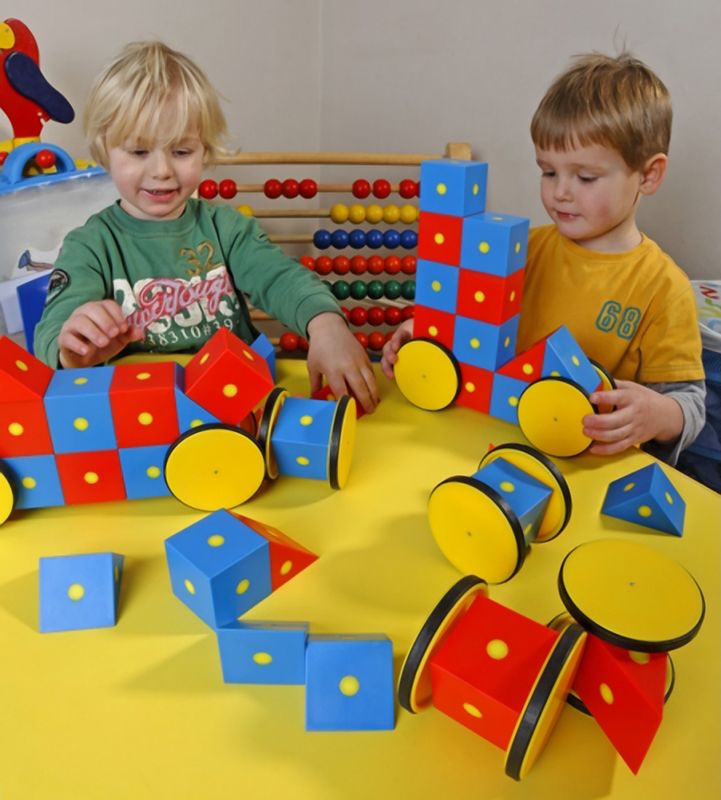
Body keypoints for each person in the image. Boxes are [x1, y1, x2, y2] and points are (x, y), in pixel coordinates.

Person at [382, 52, 705, 464]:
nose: (560, 192)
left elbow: (690, 404)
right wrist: (429, 331)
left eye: (585, 177)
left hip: (587, 461)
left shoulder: (664, 288)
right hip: (495, 439)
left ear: (648, 174)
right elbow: (470, 321)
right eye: (548, 172)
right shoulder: (523, 248)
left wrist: (659, 414)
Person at [33, 41, 379, 413]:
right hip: (140, 413)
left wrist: (325, 324)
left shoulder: (226, 229)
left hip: (237, 404)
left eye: (181, 152)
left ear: (205, 151)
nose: (162, 170)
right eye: (138, 152)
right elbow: (53, 330)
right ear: (105, 152)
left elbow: (279, 277)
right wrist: (74, 350)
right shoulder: (90, 246)